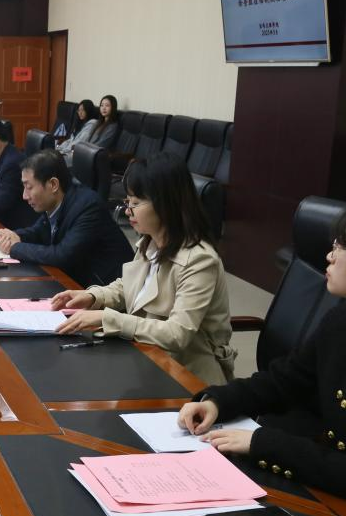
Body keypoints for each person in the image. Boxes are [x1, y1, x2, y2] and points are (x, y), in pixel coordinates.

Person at [178, 200, 346, 506]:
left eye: (343, 247)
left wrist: (265, 444)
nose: (330, 255)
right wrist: (219, 401)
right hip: (328, 487)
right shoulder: (344, 320)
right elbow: (286, 380)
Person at [51, 152, 236, 384]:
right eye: (127, 201)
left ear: (166, 203)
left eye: (136, 203)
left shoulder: (199, 260)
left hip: (188, 375)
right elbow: (132, 286)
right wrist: (93, 296)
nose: (128, 210)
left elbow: (177, 334)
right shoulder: (150, 241)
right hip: (147, 357)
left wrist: (109, 318)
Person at [0, 149, 133, 286]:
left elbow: (62, 255)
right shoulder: (56, 200)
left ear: (53, 185)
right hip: (77, 281)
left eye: (29, 187)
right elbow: (38, 232)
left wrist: (15, 247)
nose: (24, 196)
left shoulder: (88, 207)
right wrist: (13, 236)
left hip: (108, 289)